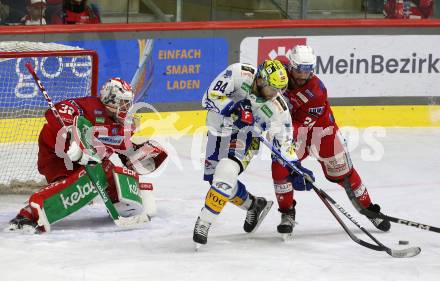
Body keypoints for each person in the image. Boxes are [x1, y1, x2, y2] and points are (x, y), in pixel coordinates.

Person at [8, 78, 167, 233]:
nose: (127, 107)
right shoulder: (90, 107)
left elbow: (127, 153)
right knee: (94, 174)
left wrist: (140, 155)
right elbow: (53, 113)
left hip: (86, 159)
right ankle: (30, 212)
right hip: (57, 155)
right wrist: (74, 137)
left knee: (108, 171)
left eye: (128, 103)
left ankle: (122, 202)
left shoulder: (121, 126)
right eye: (123, 102)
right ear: (110, 100)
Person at [270, 45, 391, 237]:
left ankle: (369, 209)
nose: (304, 74)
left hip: (322, 132)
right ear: (291, 66)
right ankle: (287, 214)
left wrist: (275, 131)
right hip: (292, 130)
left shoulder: (317, 91)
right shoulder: (279, 72)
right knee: (280, 168)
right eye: (300, 69)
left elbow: (299, 127)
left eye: (308, 69)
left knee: (343, 174)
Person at [193, 59, 313, 246]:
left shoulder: (277, 108)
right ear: (260, 80)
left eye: (280, 90)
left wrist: (296, 168)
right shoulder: (239, 74)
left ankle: (204, 223)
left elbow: (285, 143)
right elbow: (208, 98)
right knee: (215, 181)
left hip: (245, 137)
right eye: (272, 89)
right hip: (218, 131)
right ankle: (255, 205)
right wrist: (235, 107)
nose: (276, 95)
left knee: (225, 174)